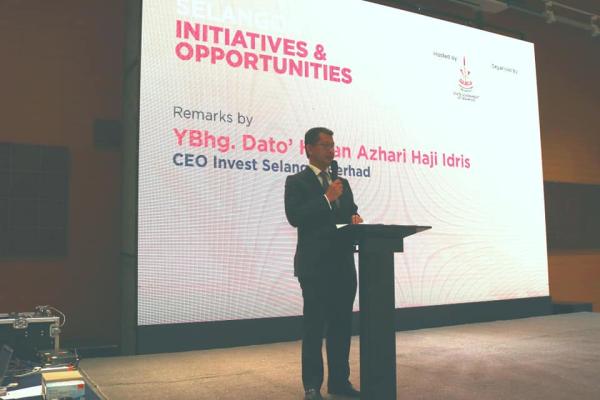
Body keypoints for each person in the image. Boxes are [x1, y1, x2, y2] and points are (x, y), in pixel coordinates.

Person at [284, 127, 363, 400]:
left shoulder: (342, 182)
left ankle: (340, 382)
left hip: (342, 264)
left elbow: (351, 211)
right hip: (315, 266)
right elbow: (295, 216)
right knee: (314, 328)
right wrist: (326, 199)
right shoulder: (297, 181)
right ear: (308, 148)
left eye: (333, 145)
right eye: (325, 145)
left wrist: (355, 219)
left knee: (341, 326)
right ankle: (312, 386)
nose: (331, 150)